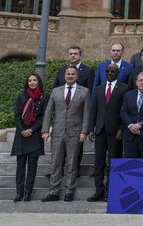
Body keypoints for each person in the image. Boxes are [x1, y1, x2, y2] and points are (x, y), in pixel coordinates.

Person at [41, 65, 91, 202]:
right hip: (57, 132)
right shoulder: (56, 91)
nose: (70, 76)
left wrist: (84, 131)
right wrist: (45, 130)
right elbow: (48, 112)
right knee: (55, 163)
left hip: (75, 132)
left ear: (77, 76)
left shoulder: (84, 92)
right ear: (64, 76)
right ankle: (54, 192)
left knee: (71, 164)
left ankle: (69, 191)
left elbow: (86, 113)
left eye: (73, 74)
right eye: (68, 74)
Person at [87, 63, 129, 202]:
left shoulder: (124, 89)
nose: (109, 74)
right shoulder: (99, 89)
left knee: (113, 161)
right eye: (107, 71)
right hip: (100, 130)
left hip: (115, 131)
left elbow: (125, 111)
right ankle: (98, 191)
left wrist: (121, 129)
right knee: (98, 162)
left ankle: (110, 191)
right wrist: (90, 129)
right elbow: (94, 110)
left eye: (113, 71)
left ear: (118, 73)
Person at [12, 73, 48, 202]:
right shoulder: (22, 96)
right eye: (30, 81)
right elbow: (17, 115)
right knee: (20, 166)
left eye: (34, 80)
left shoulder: (45, 97)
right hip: (21, 135)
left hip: (35, 134)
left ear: (39, 82)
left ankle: (28, 194)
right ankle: (19, 193)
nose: (32, 82)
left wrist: (32, 130)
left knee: (32, 167)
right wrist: (22, 130)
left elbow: (44, 117)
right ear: (27, 83)